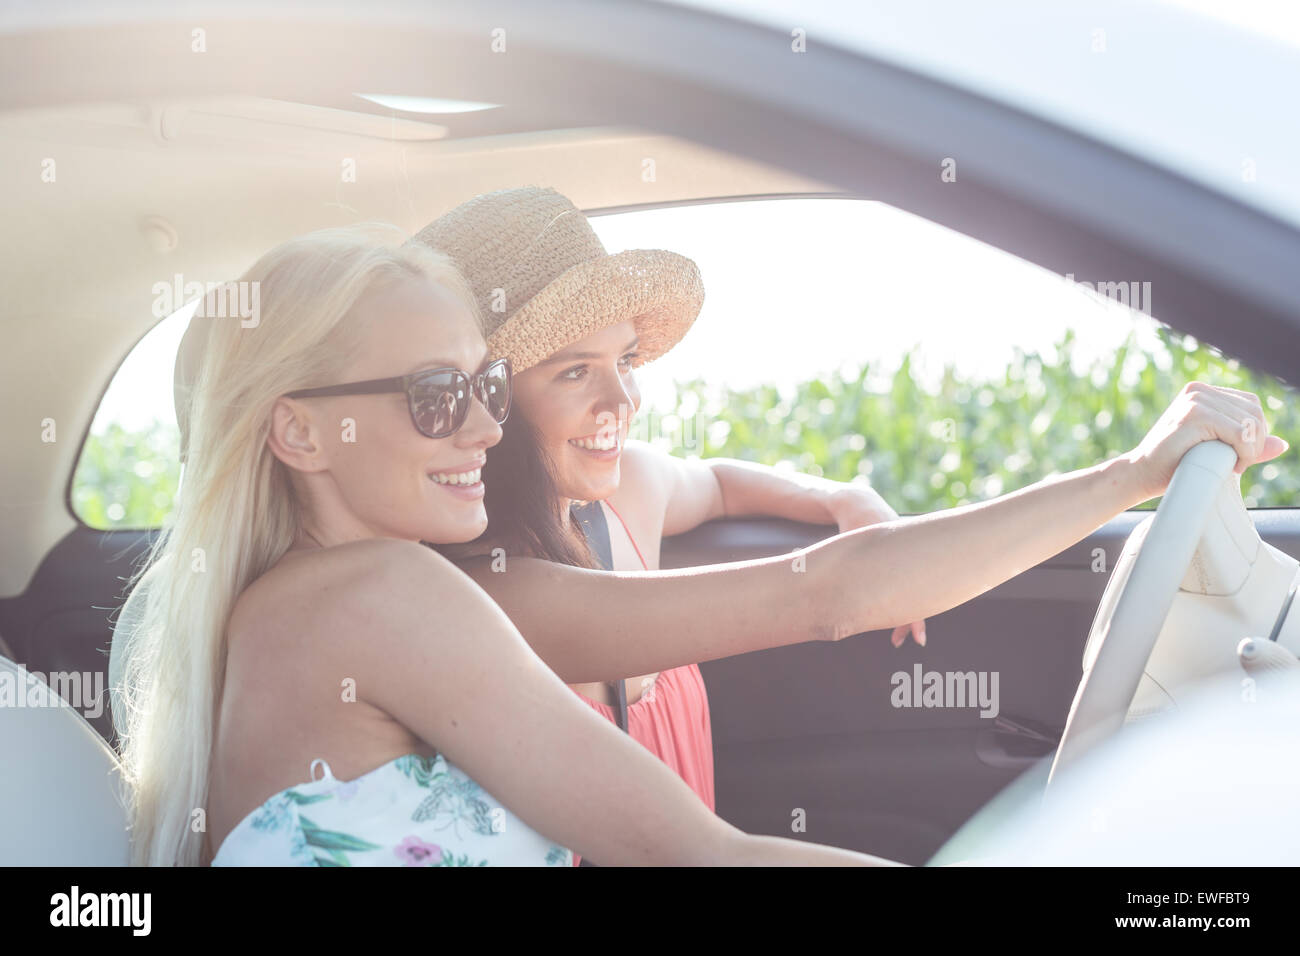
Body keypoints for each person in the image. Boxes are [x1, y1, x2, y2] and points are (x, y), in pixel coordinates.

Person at [117, 223, 1285, 867]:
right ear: (297, 432)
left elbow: (707, 482)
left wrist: (832, 487)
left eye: (478, 382)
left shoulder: (332, 593)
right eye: (438, 394)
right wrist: (1132, 474)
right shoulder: (386, 598)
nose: (476, 420)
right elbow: (705, 849)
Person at [414, 189, 925, 859]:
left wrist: (842, 498)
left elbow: (716, 484)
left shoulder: (628, 498)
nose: (621, 399)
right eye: (575, 371)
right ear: (489, 399)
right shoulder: (470, 592)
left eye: (624, 361)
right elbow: (827, 596)